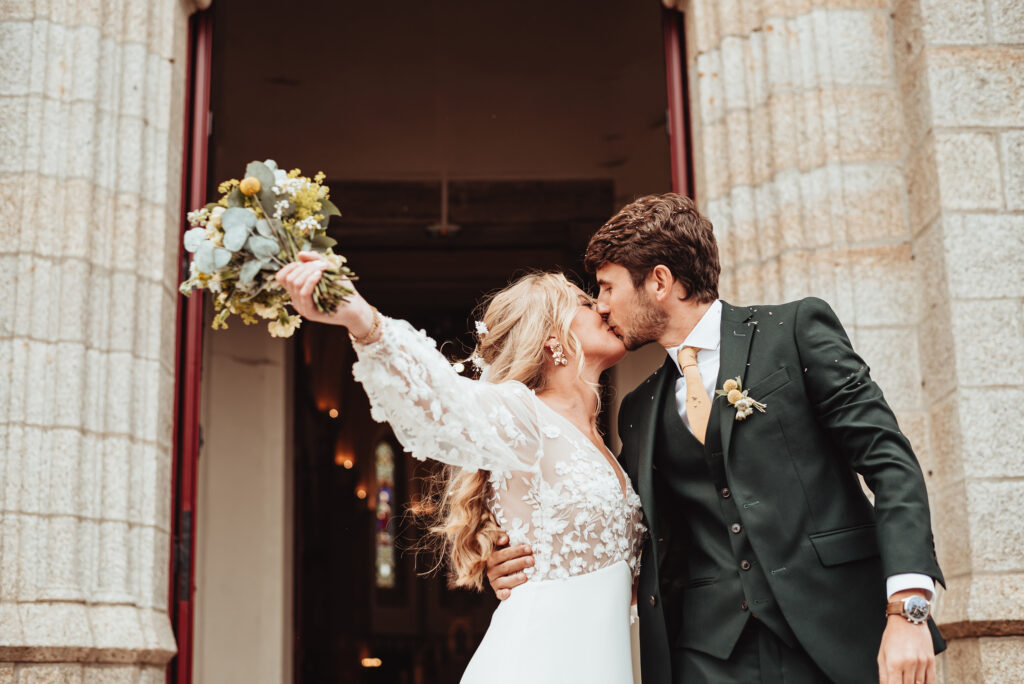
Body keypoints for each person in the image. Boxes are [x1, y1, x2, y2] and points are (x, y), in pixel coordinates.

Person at [486, 193, 945, 684]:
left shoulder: (793, 332)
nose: (601, 305)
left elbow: (889, 462)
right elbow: (614, 516)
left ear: (659, 281)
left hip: (837, 632)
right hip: (709, 656)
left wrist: (908, 607)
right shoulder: (639, 410)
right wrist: (527, 560)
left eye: (607, 287)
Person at [276, 259, 646, 683]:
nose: (602, 308)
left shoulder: (606, 447)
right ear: (552, 338)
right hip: (540, 659)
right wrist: (362, 320)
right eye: (585, 302)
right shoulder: (524, 415)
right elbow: (441, 401)